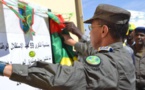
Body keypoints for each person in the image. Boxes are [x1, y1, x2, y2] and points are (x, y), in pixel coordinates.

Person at [0, 4, 135, 90]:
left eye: (91, 27)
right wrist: (72, 41)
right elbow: (92, 51)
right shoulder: (121, 53)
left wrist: (5, 68)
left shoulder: (109, 62)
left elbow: (65, 77)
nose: (90, 31)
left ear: (104, 30)